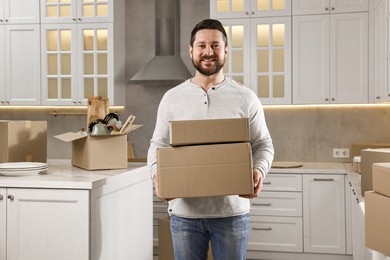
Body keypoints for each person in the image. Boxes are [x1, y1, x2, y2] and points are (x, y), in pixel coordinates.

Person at [147, 19, 274, 260]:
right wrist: (157, 174)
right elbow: (158, 144)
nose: (208, 52)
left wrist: (259, 169)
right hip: (185, 214)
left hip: (232, 213)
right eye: (202, 45)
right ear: (191, 50)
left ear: (226, 50)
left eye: (215, 45)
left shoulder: (245, 98)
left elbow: (263, 143)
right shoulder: (172, 99)